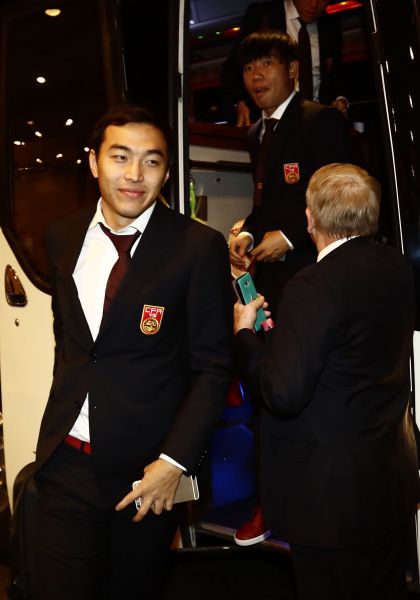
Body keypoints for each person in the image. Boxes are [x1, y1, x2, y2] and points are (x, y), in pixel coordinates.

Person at [33, 104, 232, 599]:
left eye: (151, 161)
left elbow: (212, 369)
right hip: (66, 464)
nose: (135, 175)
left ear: (166, 171)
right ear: (93, 161)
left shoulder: (196, 247)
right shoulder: (62, 236)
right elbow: (71, 343)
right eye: (120, 157)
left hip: (146, 476)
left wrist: (174, 462)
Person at [233, 163, 419, 599]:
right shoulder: (395, 266)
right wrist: (280, 336)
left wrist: (244, 335)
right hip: (388, 483)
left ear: (310, 217)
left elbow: (282, 393)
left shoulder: (313, 284)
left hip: (328, 499)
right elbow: (348, 352)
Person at [228, 31, 350, 545]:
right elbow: (266, 205)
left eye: (267, 64)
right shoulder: (259, 133)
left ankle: (316, 502)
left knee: (312, 395)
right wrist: (248, 233)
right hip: (272, 286)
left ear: (293, 70)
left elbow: (345, 197)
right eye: (248, 68)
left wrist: (291, 237)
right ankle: (271, 500)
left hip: (315, 280)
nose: (256, 76)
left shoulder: (319, 121)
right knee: (267, 394)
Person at [221, 0, 342, 126]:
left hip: (317, 121)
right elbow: (233, 66)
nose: (313, 4)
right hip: (269, 121)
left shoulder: (330, 25)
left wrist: (340, 100)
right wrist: (239, 102)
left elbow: (337, 73)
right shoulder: (263, 14)